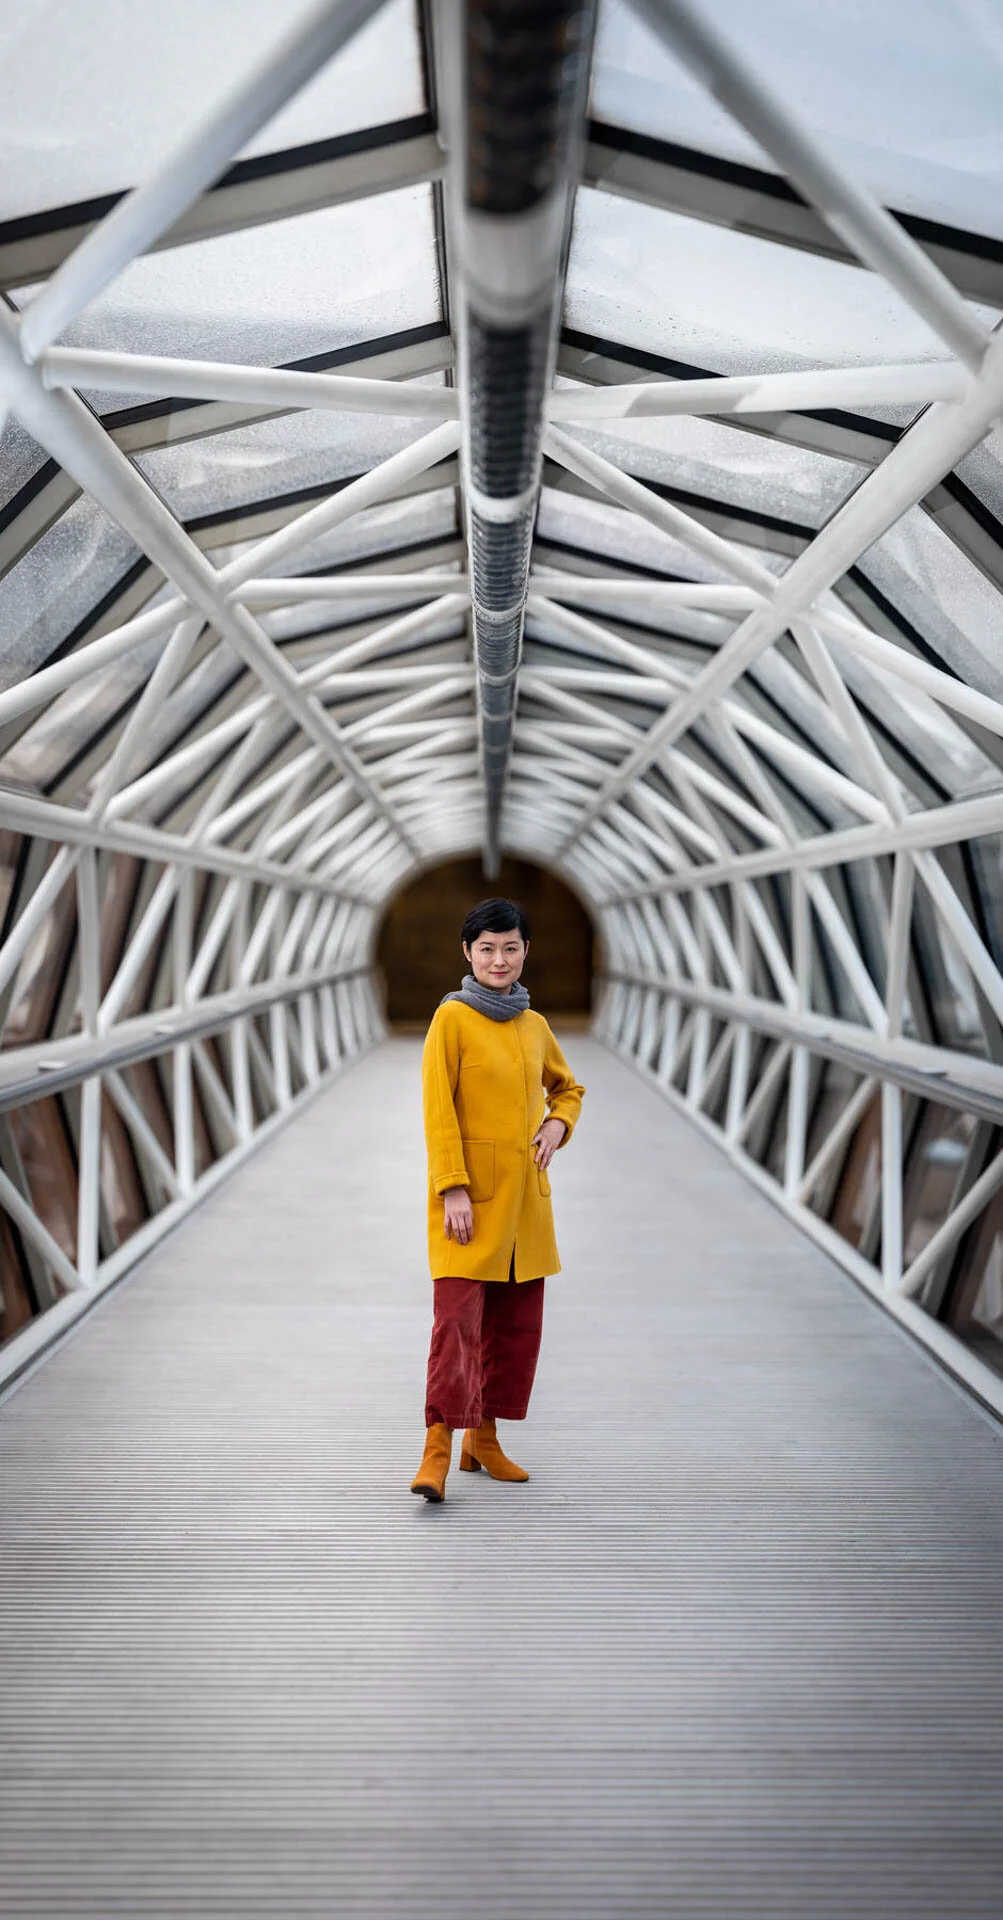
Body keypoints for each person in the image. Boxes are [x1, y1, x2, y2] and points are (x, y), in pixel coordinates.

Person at [411, 897, 586, 1503]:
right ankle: (436, 1449)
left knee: (514, 1327)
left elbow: (567, 1088)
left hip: (526, 1206)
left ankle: (482, 1440)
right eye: (486, 948)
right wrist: (453, 1187)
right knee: (456, 1325)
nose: (499, 959)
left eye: (510, 947)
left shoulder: (534, 1025)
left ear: (525, 951)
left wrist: (558, 1123)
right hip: (469, 1201)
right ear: (467, 953)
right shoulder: (451, 1019)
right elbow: (438, 1109)